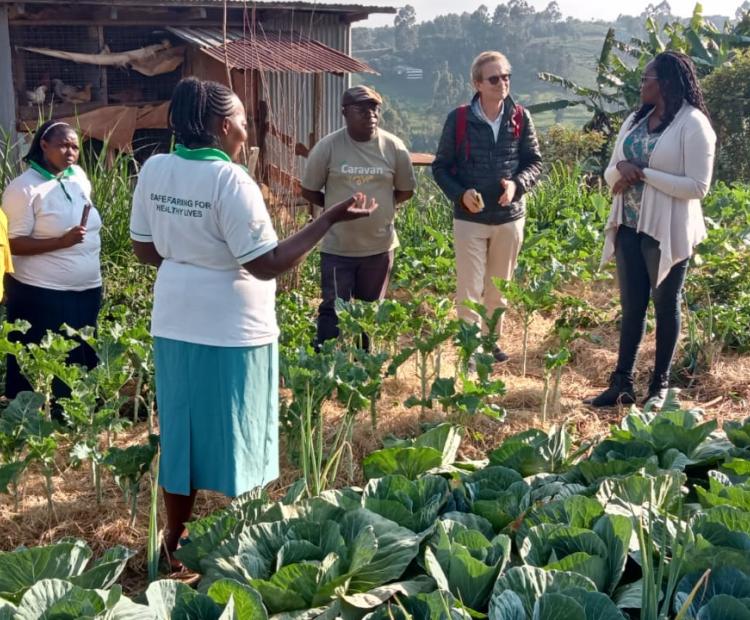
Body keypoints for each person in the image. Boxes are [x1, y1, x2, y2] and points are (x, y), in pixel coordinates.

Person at [130, 77, 376, 570]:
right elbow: (264, 263)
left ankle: (174, 542)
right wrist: (326, 221)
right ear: (223, 126)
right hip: (232, 328)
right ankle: (246, 549)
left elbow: (142, 248)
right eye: (243, 120)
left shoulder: (155, 168)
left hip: (175, 320)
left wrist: (191, 256)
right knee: (239, 432)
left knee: (183, 433)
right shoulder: (231, 181)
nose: (247, 130)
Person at [585, 51, 716, 408]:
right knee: (632, 307)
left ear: (668, 83)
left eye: (647, 79)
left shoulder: (693, 125)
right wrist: (624, 169)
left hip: (667, 229)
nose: (641, 85)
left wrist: (642, 173)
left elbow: (697, 187)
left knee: (664, 304)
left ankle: (658, 388)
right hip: (629, 222)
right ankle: (621, 384)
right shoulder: (635, 119)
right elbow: (611, 170)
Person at [432, 51, 542, 363]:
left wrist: (517, 185)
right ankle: (470, 346)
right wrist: (461, 194)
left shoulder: (521, 116)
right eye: (494, 78)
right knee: (469, 287)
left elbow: (534, 163)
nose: (502, 83)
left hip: (509, 218)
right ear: (477, 83)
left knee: (498, 288)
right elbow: (440, 167)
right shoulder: (460, 119)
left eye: (506, 76)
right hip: (470, 219)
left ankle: (491, 342)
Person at [301, 85, 416, 350]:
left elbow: (405, 191)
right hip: (337, 248)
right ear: (345, 112)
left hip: (378, 247)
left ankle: (365, 365)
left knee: (370, 312)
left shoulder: (394, 147)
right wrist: (335, 213)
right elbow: (309, 190)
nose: (370, 113)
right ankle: (324, 366)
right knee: (331, 309)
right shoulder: (328, 147)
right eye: (361, 108)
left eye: (374, 107)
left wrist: (382, 208)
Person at [1, 120, 101, 401]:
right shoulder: (23, 189)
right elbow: (10, 244)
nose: (70, 152)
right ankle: (37, 420)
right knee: (44, 361)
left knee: (80, 356)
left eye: (74, 146)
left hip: (87, 290)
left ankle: (76, 417)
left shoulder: (78, 176)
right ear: (44, 146)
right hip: (41, 293)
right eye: (62, 145)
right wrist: (60, 242)